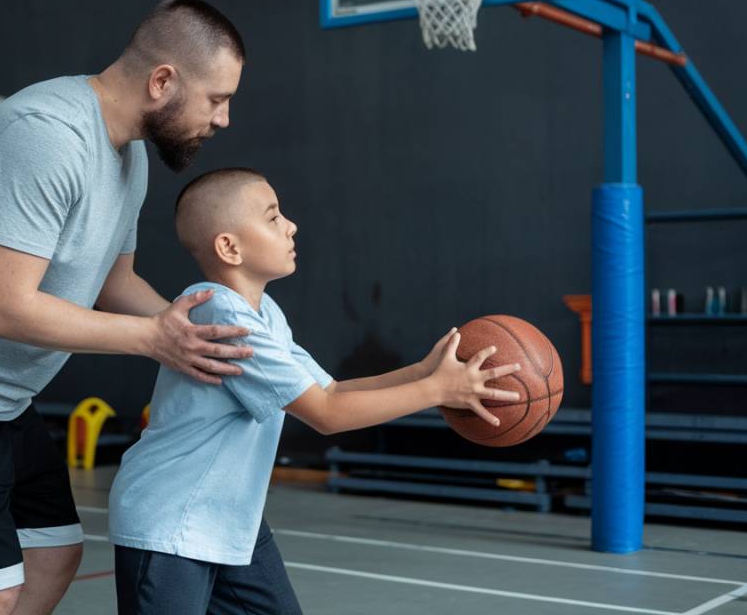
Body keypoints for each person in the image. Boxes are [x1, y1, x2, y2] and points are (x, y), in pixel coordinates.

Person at [0, 0, 254, 614]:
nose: (223, 119)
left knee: (53, 553)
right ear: (163, 81)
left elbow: (114, 284)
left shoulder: (130, 157)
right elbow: (4, 308)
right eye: (217, 99)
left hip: (1, 393)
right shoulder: (46, 135)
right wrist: (155, 340)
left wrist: (202, 328)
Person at [109, 168, 522, 614]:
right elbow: (326, 414)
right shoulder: (222, 319)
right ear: (229, 247)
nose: (291, 225)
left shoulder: (262, 311)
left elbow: (332, 389)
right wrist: (438, 390)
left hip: (226, 518)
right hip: (171, 520)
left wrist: (423, 374)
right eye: (272, 218)